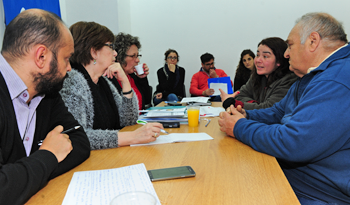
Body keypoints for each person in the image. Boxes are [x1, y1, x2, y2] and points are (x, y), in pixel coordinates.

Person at [219, 12, 350, 204]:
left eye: (290, 45)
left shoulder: (335, 79)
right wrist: (246, 115)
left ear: (313, 41)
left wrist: (239, 127)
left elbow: (294, 142)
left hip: (318, 193)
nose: (286, 53)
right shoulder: (310, 77)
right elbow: (278, 111)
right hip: (298, 179)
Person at [0, 9, 90, 204]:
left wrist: (23, 175)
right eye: (66, 59)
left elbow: (80, 142)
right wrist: (47, 156)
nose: (69, 69)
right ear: (41, 56)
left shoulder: (45, 93)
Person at [60, 21, 164, 150]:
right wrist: (132, 137)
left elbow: (129, 120)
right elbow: (77, 136)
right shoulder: (72, 81)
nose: (115, 53)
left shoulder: (104, 81)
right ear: (94, 52)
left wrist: (125, 82)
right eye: (110, 46)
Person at [221, 37, 297, 110]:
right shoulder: (257, 76)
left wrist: (240, 104)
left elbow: (269, 109)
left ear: (279, 61)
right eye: (257, 55)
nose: (258, 60)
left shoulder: (288, 80)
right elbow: (239, 95)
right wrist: (255, 104)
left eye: (265, 56)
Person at [113, 32, 152, 110]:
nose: (137, 60)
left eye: (137, 56)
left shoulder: (133, 77)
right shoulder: (111, 80)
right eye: (133, 56)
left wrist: (142, 79)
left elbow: (147, 101)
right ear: (119, 57)